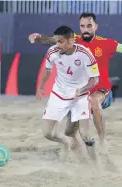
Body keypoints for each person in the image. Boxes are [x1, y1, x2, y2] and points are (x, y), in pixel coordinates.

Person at [29, 13, 122, 149]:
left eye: (89, 26)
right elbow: (49, 40)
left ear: (96, 27)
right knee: (69, 132)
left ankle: (102, 141)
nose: (86, 29)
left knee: (93, 101)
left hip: (102, 90)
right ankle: (77, 152)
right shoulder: (73, 39)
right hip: (79, 94)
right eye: (82, 26)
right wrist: (37, 37)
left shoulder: (108, 43)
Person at [36, 25, 100, 163]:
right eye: (56, 41)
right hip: (58, 94)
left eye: (61, 41)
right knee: (47, 133)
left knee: (86, 134)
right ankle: (66, 142)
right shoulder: (52, 52)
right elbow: (47, 70)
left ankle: (96, 165)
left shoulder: (85, 54)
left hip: (80, 96)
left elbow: (95, 79)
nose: (57, 45)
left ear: (71, 40)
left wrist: (82, 90)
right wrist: (41, 86)